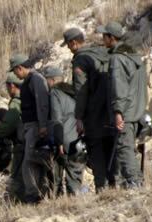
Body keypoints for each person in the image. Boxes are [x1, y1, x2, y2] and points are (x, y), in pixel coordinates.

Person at [63, 26, 114, 191]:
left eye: (69, 45)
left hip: (94, 116)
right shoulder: (103, 52)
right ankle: (116, 187)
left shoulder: (81, 59)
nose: (70, 49)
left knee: (97, 153)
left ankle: (102, 189)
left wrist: (78, 117)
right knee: (112, 151)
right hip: (113, 112)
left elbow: (81, 91)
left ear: (74, 43)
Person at [100, 21, 147, 188]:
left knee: (124, 148)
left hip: (126, 112)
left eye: (104, 36)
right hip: (137, 111)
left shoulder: (117, 59)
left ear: (111, 38)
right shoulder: (135, 57)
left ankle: (134, 183)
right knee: (129, 147)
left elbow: (118, 87)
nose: (102, 39)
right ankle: (134, 182)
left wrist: (118, 112)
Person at [9, 53, 52, 203]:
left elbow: (42, 103)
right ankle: (38, 194)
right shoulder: (30, 80)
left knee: (29, 162)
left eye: (14, 70)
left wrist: (42, 125)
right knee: (33, 161)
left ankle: (34, 195)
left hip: (36, 127)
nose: (14, 74)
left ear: (19, 68)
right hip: (33, 127)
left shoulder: (36, 79)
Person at [43, 66, 85, 195]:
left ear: (53, 80)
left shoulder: (55, 93)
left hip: (66, 141)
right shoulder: (73, 92)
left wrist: (59, 142)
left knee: (58, 178)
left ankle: (67, 205)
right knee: (76, 175)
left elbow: (57, 120)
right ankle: (78, 201)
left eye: (47, 81)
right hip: (79, 140)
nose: (46, 84)